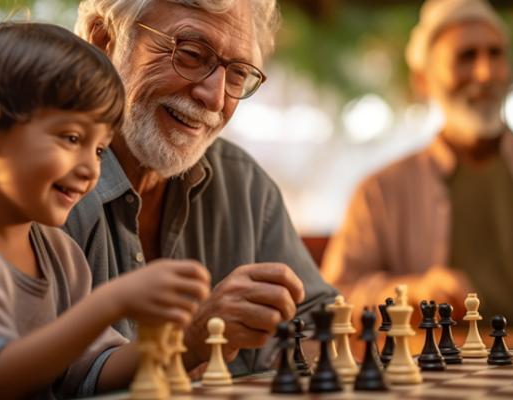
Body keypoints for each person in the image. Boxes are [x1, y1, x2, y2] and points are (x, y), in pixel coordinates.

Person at [0, 22, 211, 398]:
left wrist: (193, 342)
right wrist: (110, 302)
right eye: (71, 138)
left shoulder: (61, 255)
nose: (90, 169)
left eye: (99, 149)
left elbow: (92, 370)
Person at [68, 0, 338, 374]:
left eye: (239, 74)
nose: (214, 97)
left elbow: (321, 328)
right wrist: (193, 342)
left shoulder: (243, 185)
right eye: (192, 54)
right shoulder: (28, 185)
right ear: (104, 40)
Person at [321, 0, 513, 327]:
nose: (485, 73)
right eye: (466, 57)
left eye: (495, 54)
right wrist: (410, 292)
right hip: (432, 371)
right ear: (423, 81)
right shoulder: (381, 192)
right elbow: (333, 298)